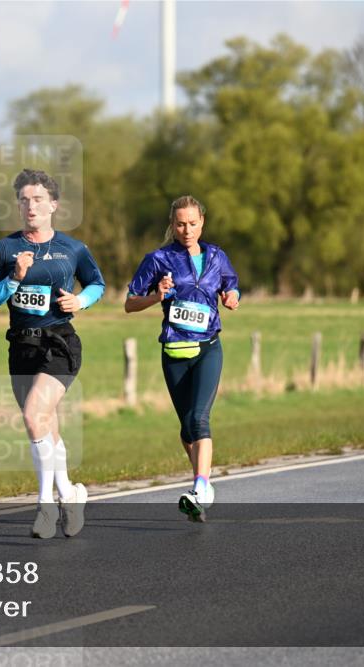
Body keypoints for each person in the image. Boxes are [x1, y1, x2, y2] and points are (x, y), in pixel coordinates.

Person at [0, 169, 106, 538]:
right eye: (24, 200)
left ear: (53, 205)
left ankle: (45, 507)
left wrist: (79, 300)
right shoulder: (4, 249)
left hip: (60, 343)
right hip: (21, 346)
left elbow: (97, 283)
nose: (30, 206)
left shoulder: (73, 248)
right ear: (18, 205)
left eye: (37, 199)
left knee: (35, 416)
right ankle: (70, 493)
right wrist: (14, 278)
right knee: (45, 425)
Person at [124, 196, 240, 521]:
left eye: (192, 223)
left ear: (202, 221)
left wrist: (232, 296)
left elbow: (231, 285)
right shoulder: (158, 259)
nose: (186, 229)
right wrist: (156, 296)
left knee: (200, 418)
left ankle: (200, 487)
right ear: (172, 225)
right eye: (180, 224)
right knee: (187, 427)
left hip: (208, 348)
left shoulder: (217, 256)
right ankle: (202, 491)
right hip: (174, 353)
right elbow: (129, 303)